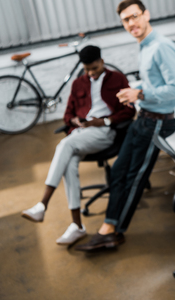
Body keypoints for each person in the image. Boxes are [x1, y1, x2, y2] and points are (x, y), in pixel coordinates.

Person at [75, 0, 175, 251]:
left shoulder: (161, 47)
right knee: (118, 172)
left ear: (146, 15)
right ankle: (110, 224)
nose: (131, 23)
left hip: (157, 123)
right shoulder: (145, 45)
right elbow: (156, 86)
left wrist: (140, 93)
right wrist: (137, 92)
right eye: (126, 20)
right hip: (144, 118)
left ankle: (113, 231)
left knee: (135, 178)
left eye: (135, 16)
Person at [21, 45, 135, 245]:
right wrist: (73, 121)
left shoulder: (118, 79)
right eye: (86, 69)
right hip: (81, 133)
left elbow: (128, 112)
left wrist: (104, 121)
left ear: (102, 61)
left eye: (94, 68)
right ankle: (77, 226)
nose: (90, 73)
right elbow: (67, 114)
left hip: (105, 133)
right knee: (69, 161)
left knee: (64, 146)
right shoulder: (78, 83)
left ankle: (43, 204)